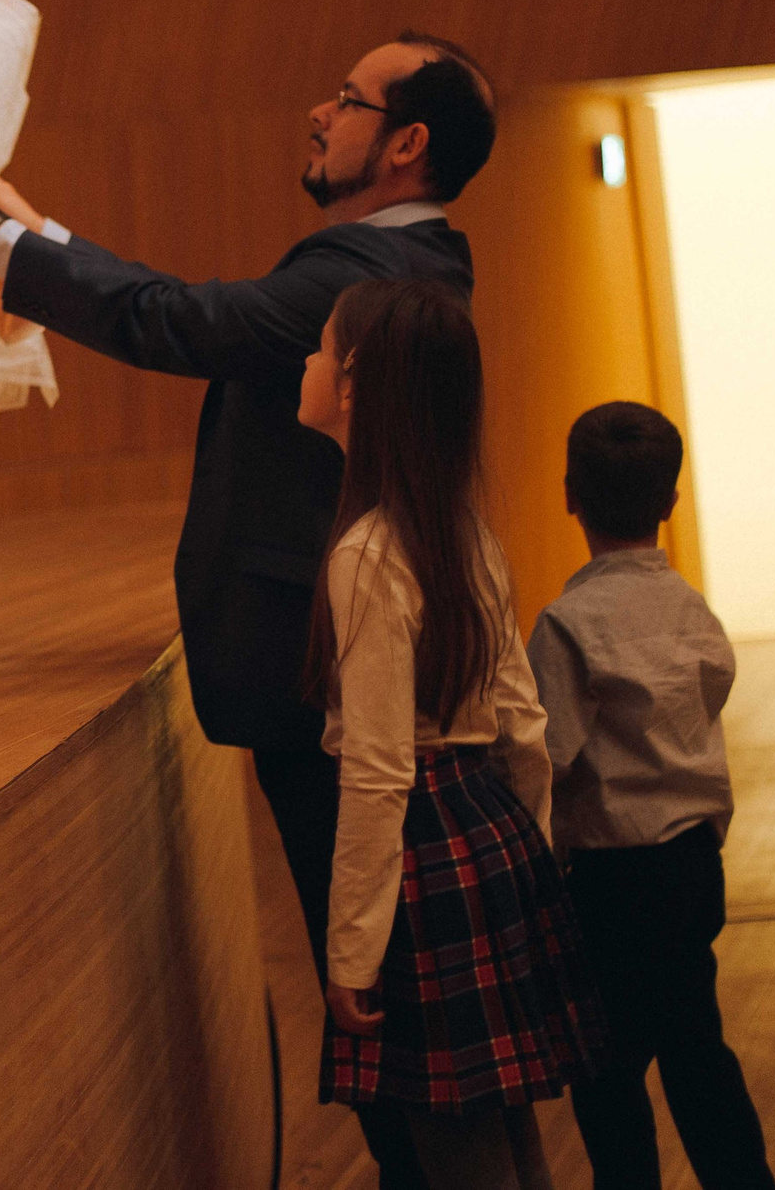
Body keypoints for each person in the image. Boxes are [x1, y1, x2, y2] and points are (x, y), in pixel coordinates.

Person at [0, 33, 495, 1187]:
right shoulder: (398, 261)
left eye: (346, 98)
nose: (317, 112)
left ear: (406, 143)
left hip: (324, 685)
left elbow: (189, 325)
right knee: (405, 1037)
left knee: (391, 1030)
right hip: (324, 678)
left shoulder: (365, 276)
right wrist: (29, 233)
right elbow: (199, 312)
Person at [300, 277, 597, 1189]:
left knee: (459, 1151)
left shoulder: (366, 554)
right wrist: (527, 860)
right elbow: (523, 720)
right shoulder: (464, 530)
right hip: (490, 829)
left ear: (353, 380)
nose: (306, 361)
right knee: (505, 1127)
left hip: (424, 856)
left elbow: (377, 769)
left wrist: (351, 947)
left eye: (319, 347)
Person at [528, 403, 775, 1190]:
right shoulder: (692, 607)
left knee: (608, 1067)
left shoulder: (565, 624)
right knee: (697, 1048)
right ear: (670, 501)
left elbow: (548, 753)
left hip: (613, 880)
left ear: (570, 495)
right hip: (695, 866)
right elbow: (713, 689)